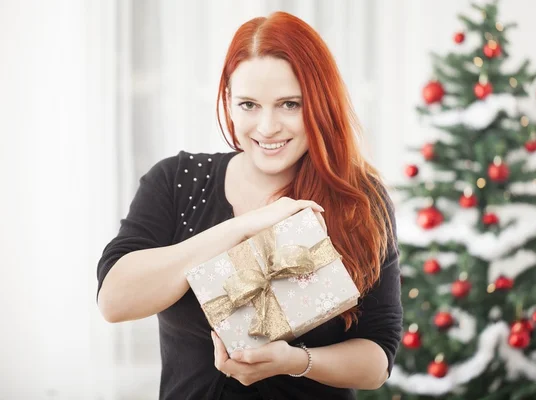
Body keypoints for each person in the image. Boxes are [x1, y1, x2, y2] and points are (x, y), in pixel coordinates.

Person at [97, 10, 402, 400]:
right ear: (227, 99)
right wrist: (242, 227)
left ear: (319, 103)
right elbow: (114, 301)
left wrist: (295, 361)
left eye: (290, 104)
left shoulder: (359, 199)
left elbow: (377, 360)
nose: (268, 126)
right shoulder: (177, 181)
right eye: (248, 105)